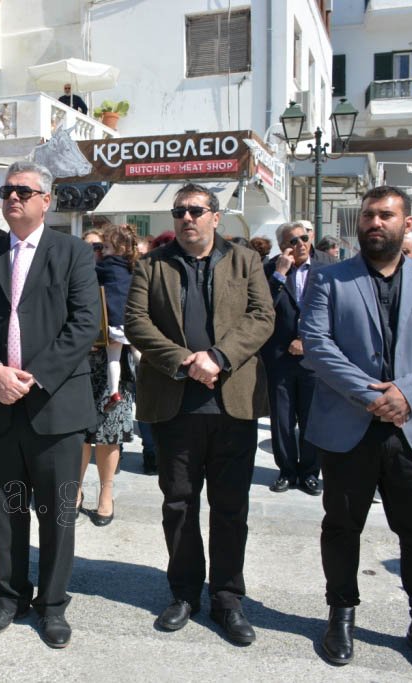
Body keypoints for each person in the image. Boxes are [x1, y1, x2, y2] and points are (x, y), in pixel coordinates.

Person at [300, 186, 412, 679]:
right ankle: (341, 614)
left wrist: (407, 394)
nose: (375, 222)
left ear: (407, 224)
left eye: (386, 215)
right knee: (341, 528)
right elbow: (317, 344)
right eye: (368, 214)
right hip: (350, 427)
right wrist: (372, 395)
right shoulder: (330, 280)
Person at [0, 160, 100, 649]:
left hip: (53, 406)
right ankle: (9, 597)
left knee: (56, 512)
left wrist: (31, 380)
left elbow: (84, 325)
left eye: (24, 190)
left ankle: (53, 604)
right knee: (6, 509)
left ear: (46, 200)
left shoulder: (74, 252)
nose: (13, 197)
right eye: (6, 189)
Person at [125, 182, 274, 645]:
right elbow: (137, 323)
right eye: (179, 211)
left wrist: (219, 358)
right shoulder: (151, 264)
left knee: (230, 508)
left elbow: (262, 316)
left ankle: (228, 599)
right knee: (179, 503)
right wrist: (187, 361)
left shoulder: (245, 260)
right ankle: (185, 592)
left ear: (215, 216)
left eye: (195, 210)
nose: (187, 218)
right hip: (176, 403)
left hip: (233, 403)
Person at [77, 226, 135, 526]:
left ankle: (106, 494)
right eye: (89, 248)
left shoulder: (125, 273)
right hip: (80, 363)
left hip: (116, 361)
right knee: (78, 434)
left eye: (100, 247)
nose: (95, 253)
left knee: (110, 435)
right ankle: (74, 491)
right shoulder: (77, 276)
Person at [262, 221, 324, 495]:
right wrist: (280, 275)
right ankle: (286, 470)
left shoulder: (326, 269)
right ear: (282, 246)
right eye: (292, 241)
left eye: (303, 238)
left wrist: (307, 342)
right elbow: (262, 309)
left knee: (312, 419)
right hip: (279, 358)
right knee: (282, 419)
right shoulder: (270, 270)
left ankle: (310, 472)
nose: (299, 244)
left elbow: (331, 314)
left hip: (314, 358)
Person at [96, 223, 136, 412]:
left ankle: (114, 392)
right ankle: (148, 381)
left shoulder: (105, 266)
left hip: (114, 319)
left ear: (119, 248)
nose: (102, 251)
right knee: (138, 354)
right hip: (132, 319)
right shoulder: (132, 267)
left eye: (105, 247)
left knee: (114, 358)